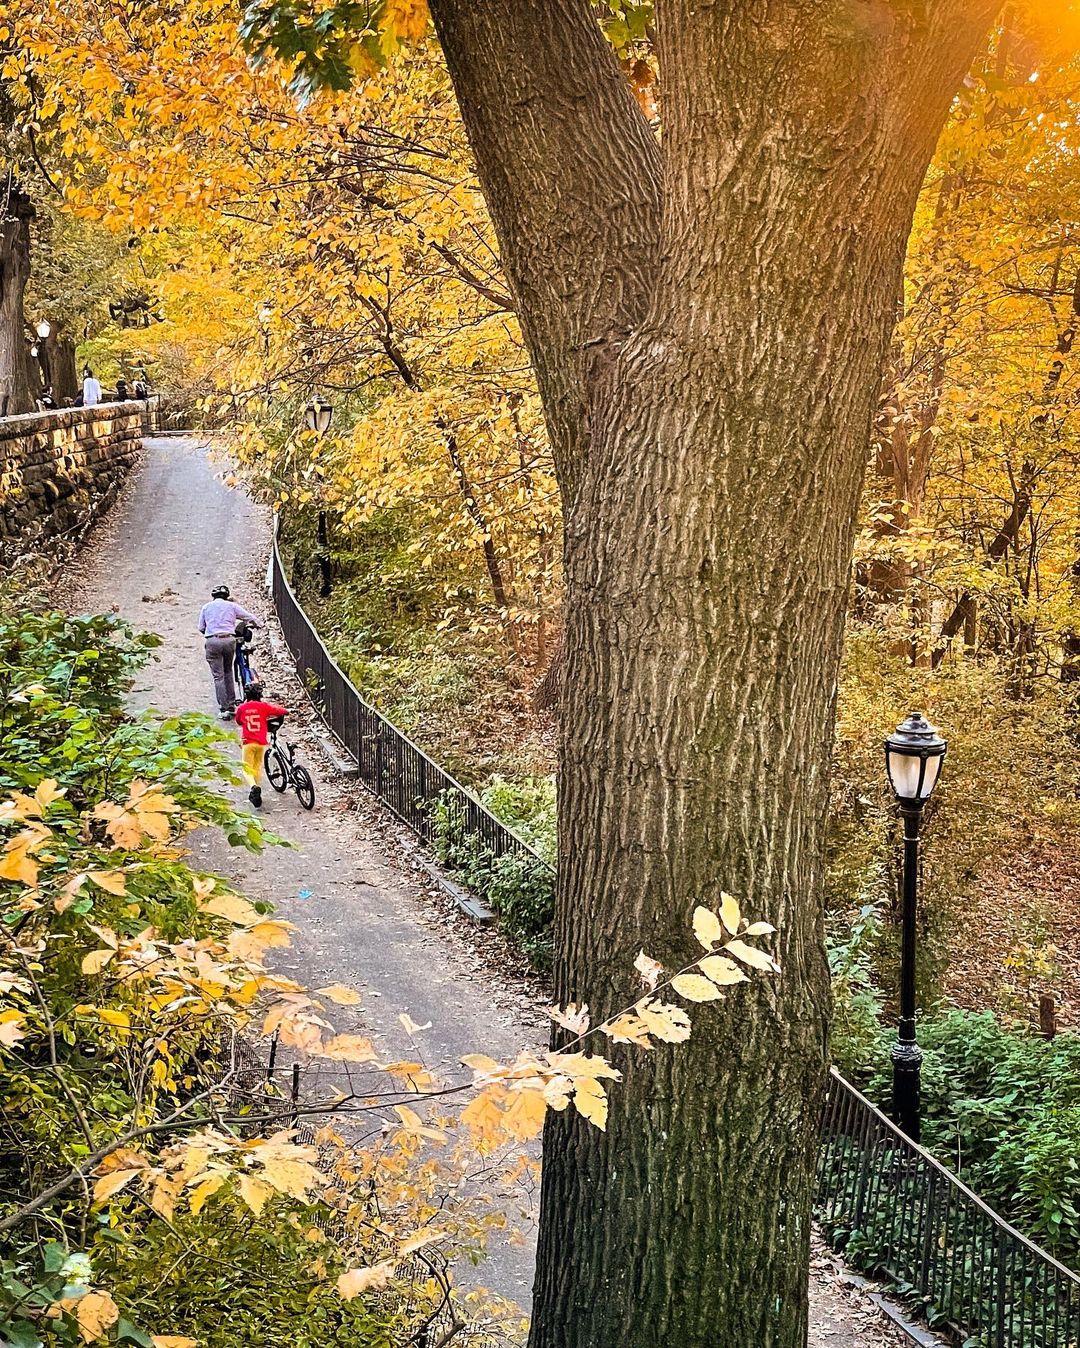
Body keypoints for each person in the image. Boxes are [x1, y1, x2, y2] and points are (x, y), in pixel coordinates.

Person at [197, 584, 262, 719]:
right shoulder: (231, 606)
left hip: (213, 641)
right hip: (229, 640)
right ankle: (232, 705)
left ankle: (224, 708)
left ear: (213, 596)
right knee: (228, 672)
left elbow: (201, 627)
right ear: (227, 596)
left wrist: (211, 631)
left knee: (218, 676)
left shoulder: (206, 607)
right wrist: (258, 624)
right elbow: (249, 617)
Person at [234, 681, 287, 808]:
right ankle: (257, 789)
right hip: (261, 742)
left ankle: (253, 787)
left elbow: (238, 721)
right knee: (257, 766)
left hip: (248, 742)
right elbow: (279, 711)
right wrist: (286, 710)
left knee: (246, 768)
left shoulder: (242, 708)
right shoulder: (263, 706)